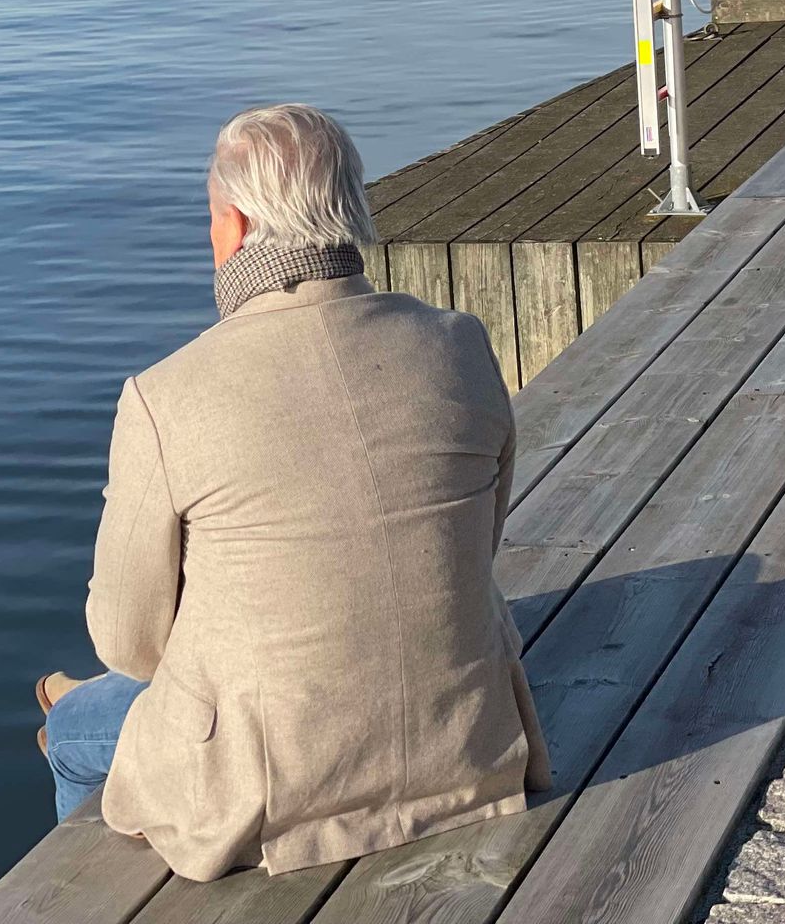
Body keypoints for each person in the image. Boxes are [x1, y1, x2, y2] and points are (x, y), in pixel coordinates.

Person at [37, 103, 549, 883]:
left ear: (235, 228)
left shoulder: (165, 397)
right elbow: (476, 546)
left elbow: (130, 643)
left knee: (74, 731)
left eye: (210, 221)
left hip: (278, 789)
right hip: (467, 744)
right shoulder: (459, 344)